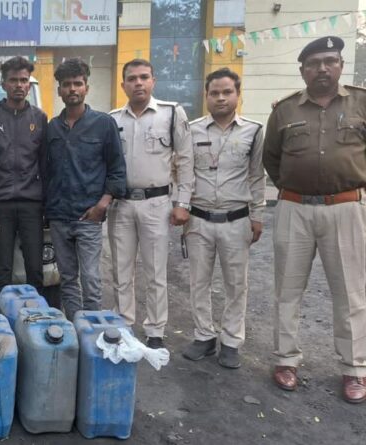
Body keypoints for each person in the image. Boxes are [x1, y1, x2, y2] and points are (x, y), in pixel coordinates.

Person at [263, 36, 366, 403]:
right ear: (303, 70)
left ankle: (354, 368)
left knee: (350, 293)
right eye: (314, 63)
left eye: (329, 61)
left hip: (345, 209)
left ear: (340, 65)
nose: (322, 68)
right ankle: (286, 360)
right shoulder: (285, 110)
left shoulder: (361, 103)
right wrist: (296, 187)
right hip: (294, 208)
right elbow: (271, 158)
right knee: (287, 290)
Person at [181, 68, 265, 369]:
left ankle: (231, 341)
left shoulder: (253, 131)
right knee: (198, 281)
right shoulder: (191, 130)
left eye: (227, 92)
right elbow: (183, 172)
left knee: (236, 284)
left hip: (236, 219)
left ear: (237, 95)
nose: (220, 98)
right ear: (206, 96)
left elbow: (256, 176)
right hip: (199, 219)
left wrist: (258, 215)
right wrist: (181, 207)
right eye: (214, 93)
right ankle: (204, 336)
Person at [108, 59, 194, 349]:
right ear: (123, 85)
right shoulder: (113, 120)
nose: (138, 83)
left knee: (156, 271)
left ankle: (155, 329)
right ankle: (123, 323)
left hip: (157, 203)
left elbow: (185, 160)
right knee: (121, 270)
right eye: (132, 78)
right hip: (121, 204)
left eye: (144, 77)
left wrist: (183, 203)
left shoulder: (171, 113)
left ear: (153, 81)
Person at [45, 58, 126, 321]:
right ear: (59, 90)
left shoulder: (103, 124)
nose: (72, 89)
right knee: (67, 278)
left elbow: (117, 168)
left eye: (78, 84)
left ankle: (92, 328)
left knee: (90, 278)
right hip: (59, 216)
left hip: (88, 215)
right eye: (67, 84)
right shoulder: (52, 128)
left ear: (86, 88)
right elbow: (46, 171)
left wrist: (102, 204)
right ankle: (73, 327)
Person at [0, 56, 47, 295]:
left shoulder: (39, 118)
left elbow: (45, 167)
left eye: (24, 80)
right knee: (3, 269)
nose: (19, 85)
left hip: (32, 205)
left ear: (29, 84)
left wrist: (46, 206)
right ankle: (3, 314)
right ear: (4, 84)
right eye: (14, 80)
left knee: (35, 268)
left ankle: (36, 313)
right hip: (1, 205)